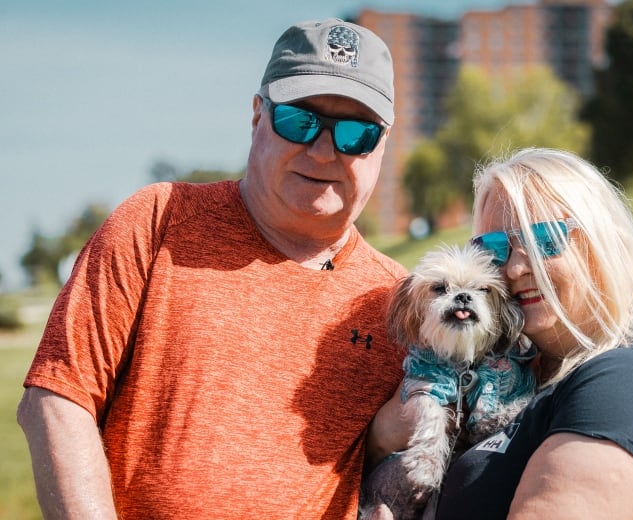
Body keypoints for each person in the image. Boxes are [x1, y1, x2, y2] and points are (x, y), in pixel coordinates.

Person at [17, 18, 409, 519]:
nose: (323, 149)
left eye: (356, 133)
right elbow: (56, 401)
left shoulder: (405, 304)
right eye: (299, 120)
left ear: (383, 144)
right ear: (256, 115)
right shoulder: (158, 220)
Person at [434, 147, 633, 519]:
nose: (517, 266)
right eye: (494, 249)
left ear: (602, 245)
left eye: (545, 239)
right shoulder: (523, 379)